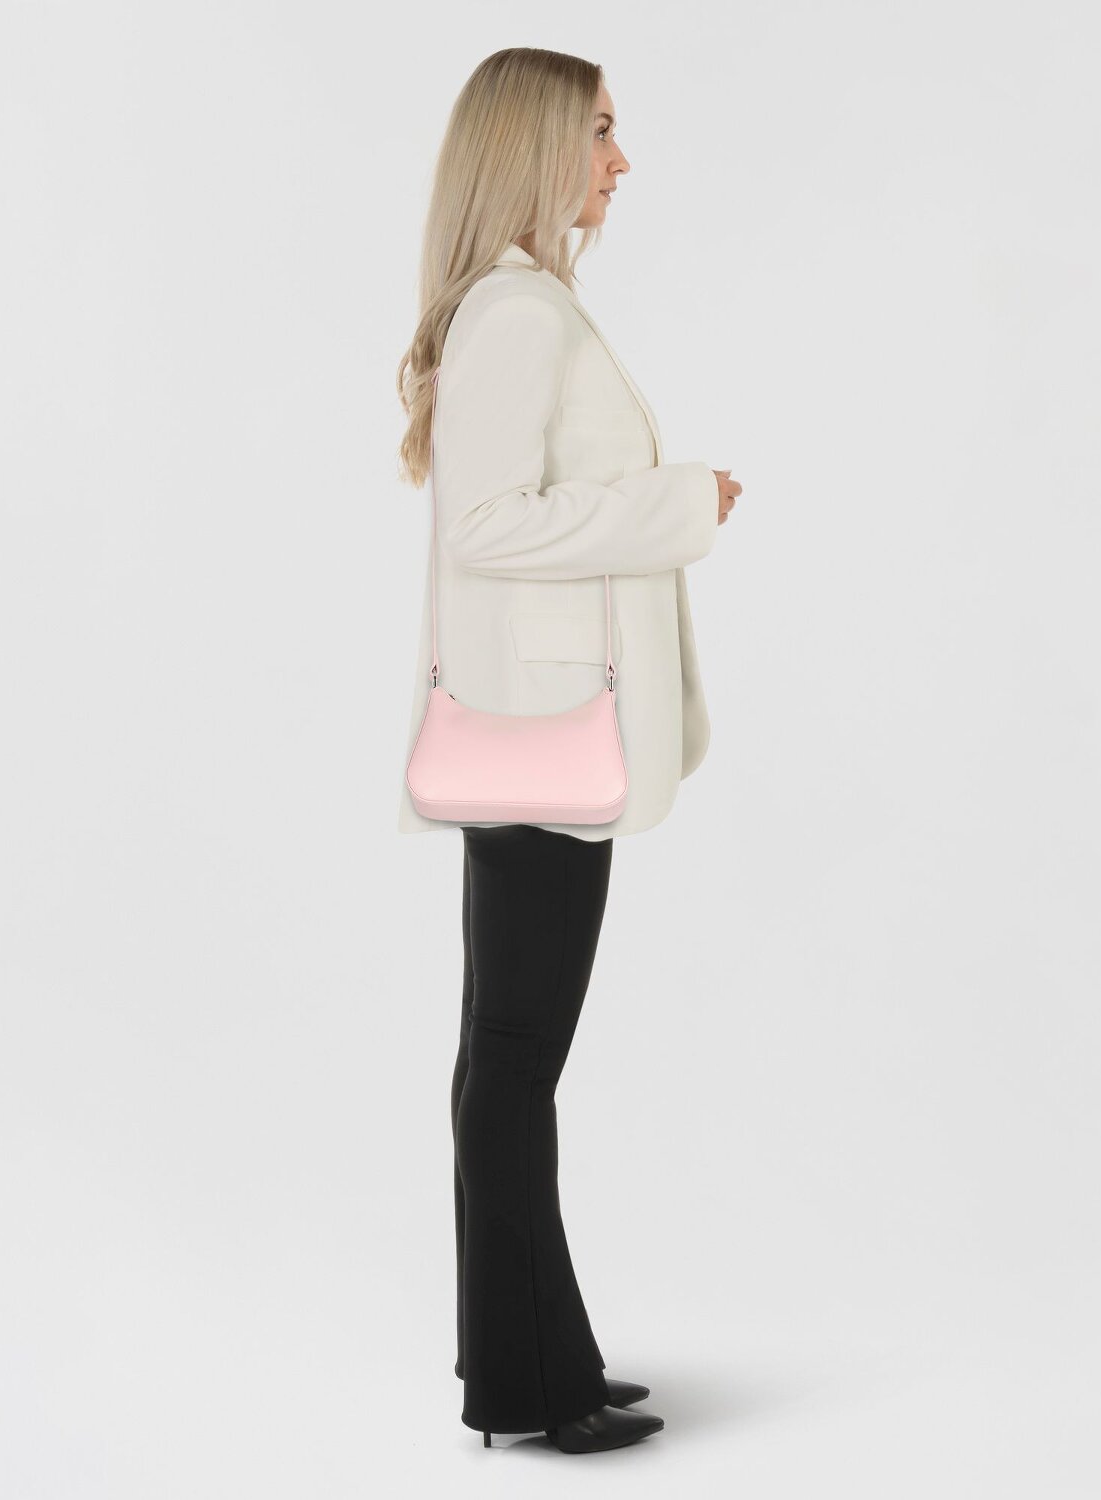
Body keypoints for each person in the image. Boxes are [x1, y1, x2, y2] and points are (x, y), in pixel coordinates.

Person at [394, 47, 742, 1453]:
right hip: (543, 736)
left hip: (534, 731)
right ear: (537, 147)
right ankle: (532, 1387)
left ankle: (533, 1364)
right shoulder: (520, 314)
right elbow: (489, 525)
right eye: (599, 131)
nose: (619, 160)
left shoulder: (520, 305)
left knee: (504, 1058)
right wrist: (680, 503)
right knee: (514, 1064)